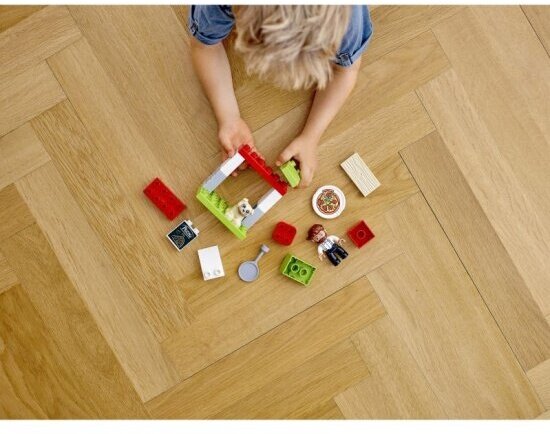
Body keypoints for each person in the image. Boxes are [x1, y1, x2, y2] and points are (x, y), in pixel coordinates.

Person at [189, 5, 372, 187]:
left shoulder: (349, 19)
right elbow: (205, 47)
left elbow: (345, 71)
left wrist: (311, 137)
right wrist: (228, 118)